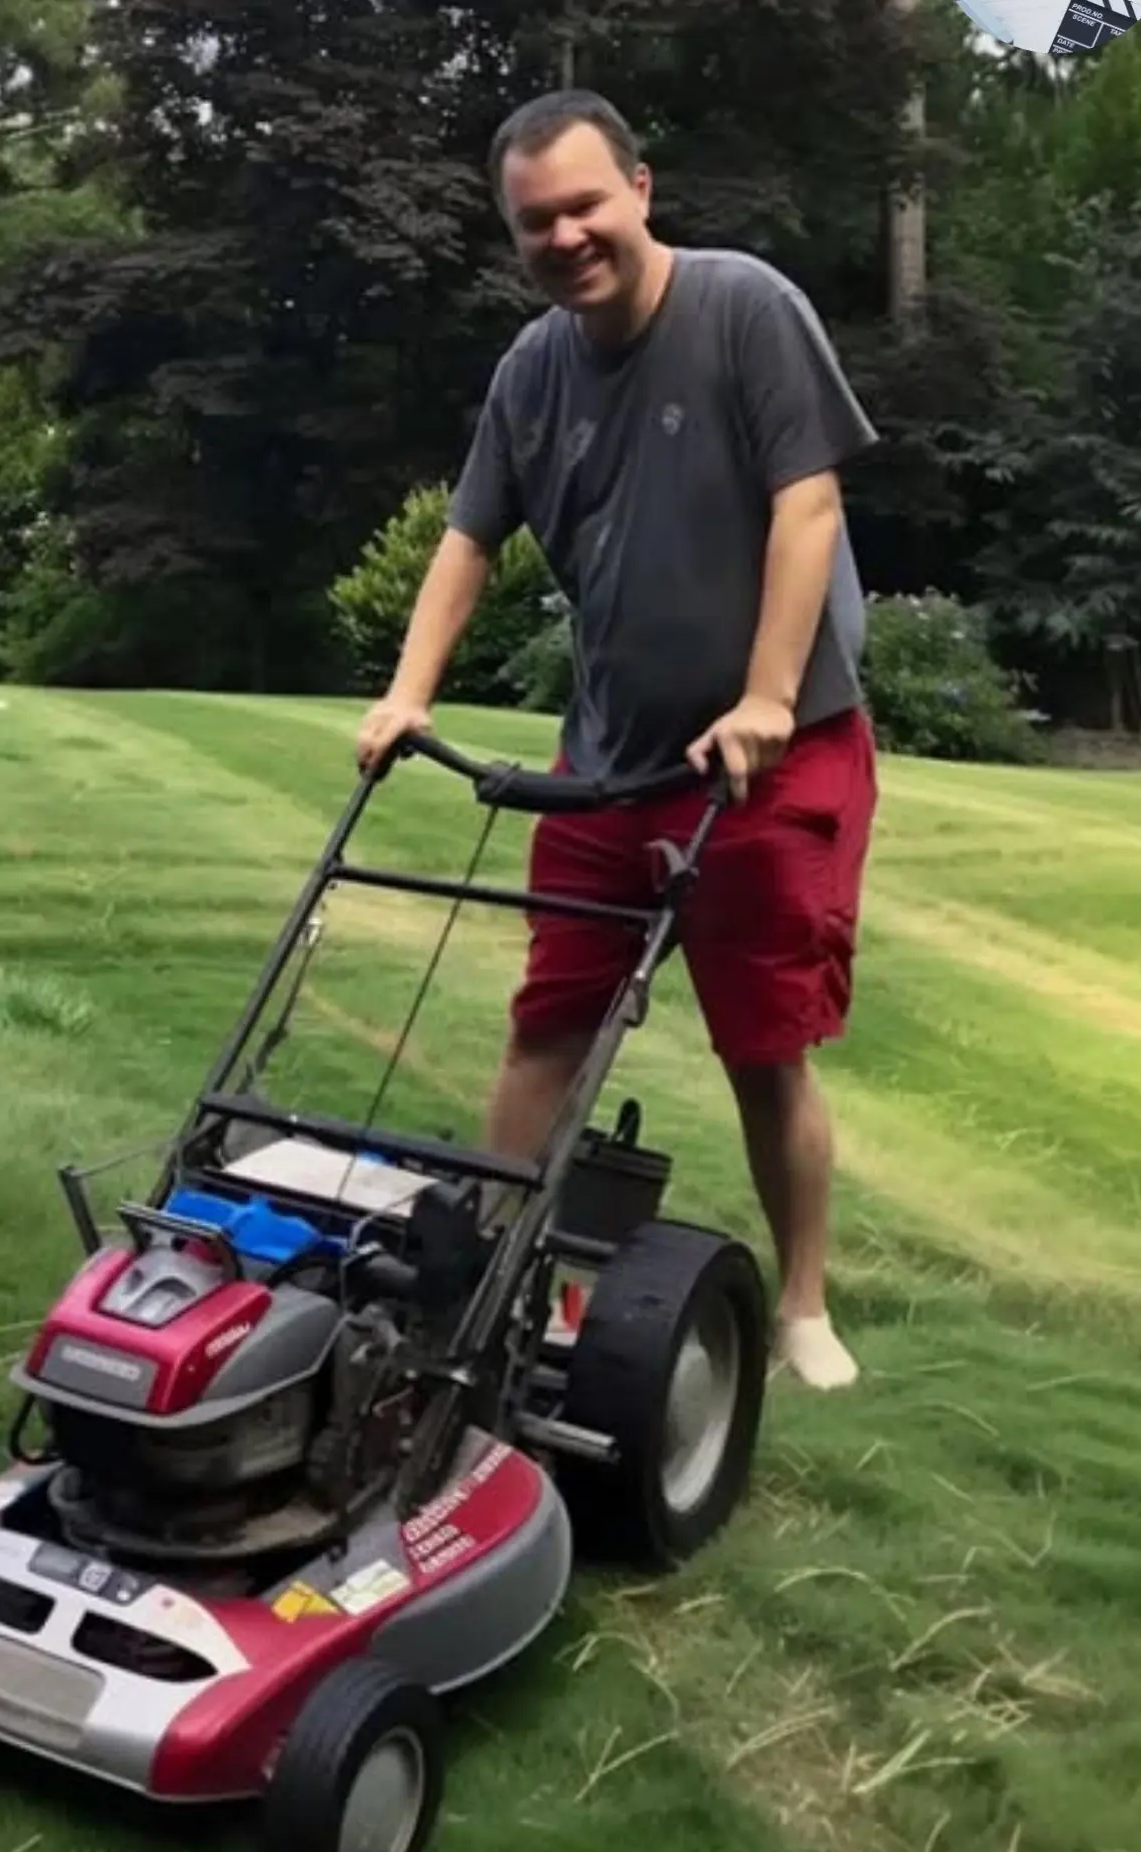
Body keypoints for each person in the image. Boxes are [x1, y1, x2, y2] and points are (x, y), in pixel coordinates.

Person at [355, 89, 878, 1391]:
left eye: (584, 204)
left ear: (639, 189)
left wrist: (762, 695)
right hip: (607, 763)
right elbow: (466, 537)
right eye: (535, 222)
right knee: (547, 1025)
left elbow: (804, 506)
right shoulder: (529, 371)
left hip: (776, 750)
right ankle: (476, 1283)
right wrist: (406, 691)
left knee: (762, 1047)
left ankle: (804, 1303)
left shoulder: (743, 308)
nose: (565, 235)